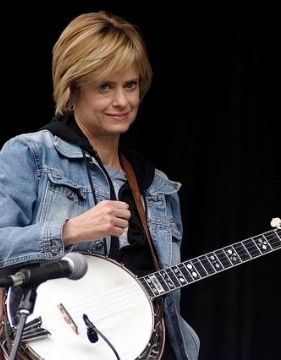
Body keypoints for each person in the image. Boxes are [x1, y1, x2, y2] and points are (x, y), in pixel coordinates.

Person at [0, 11, 200, 360]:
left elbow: (166, 300)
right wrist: (68, 230)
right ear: (73, 88)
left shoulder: (157, 188)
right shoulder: (31, 154)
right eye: (105, 86)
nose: (122, 101)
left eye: (131, 85)